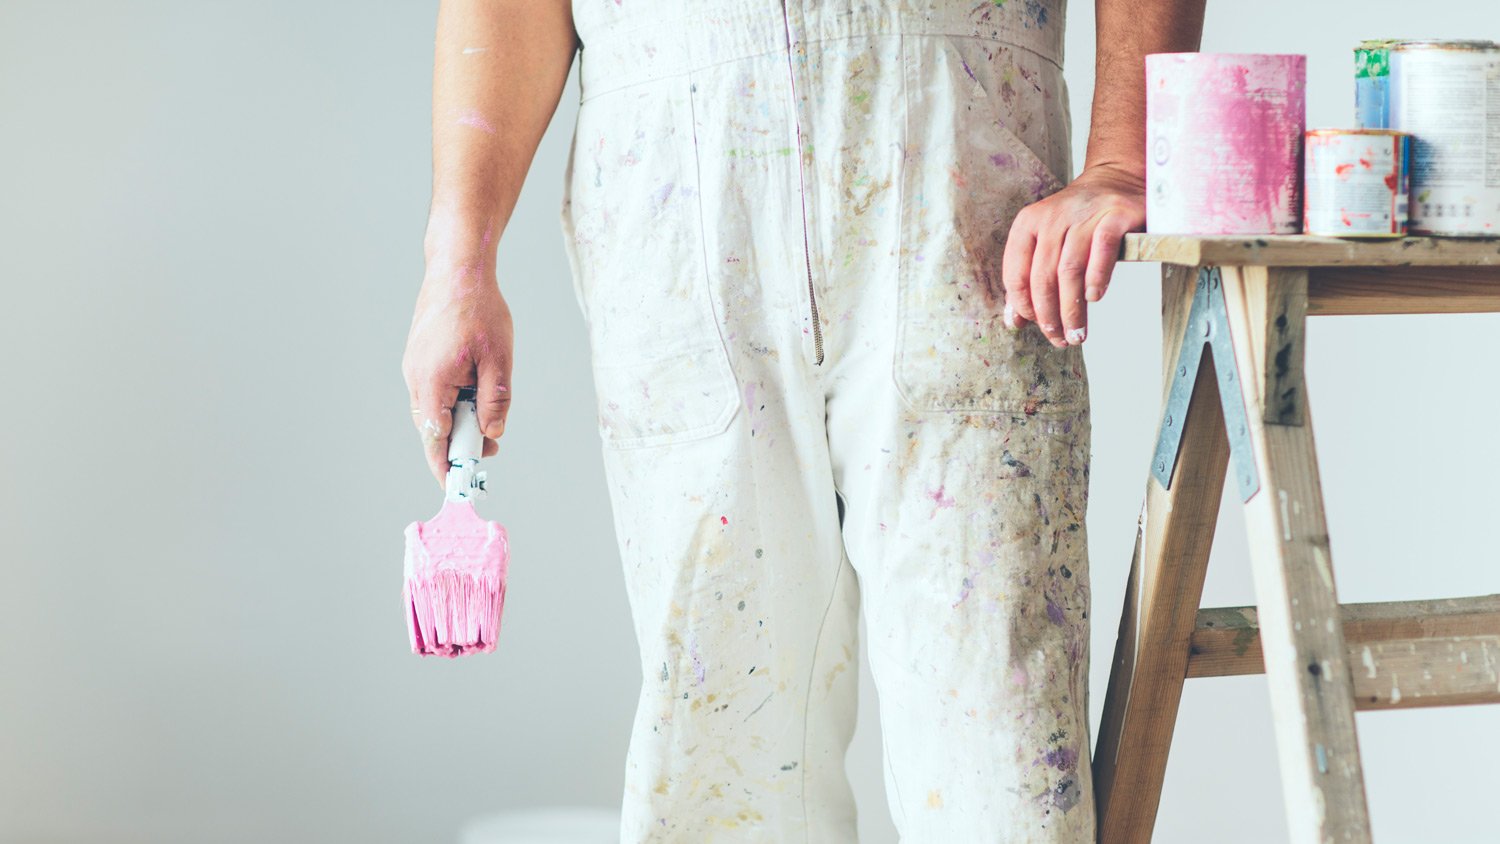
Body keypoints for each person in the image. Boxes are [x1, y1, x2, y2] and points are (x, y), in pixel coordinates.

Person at [403, 0, 1205, 839]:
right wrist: (458, 261)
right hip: (677, 187)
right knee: (721, 772)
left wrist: (1126, 156)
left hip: (958, 158)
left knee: (1001, 778)